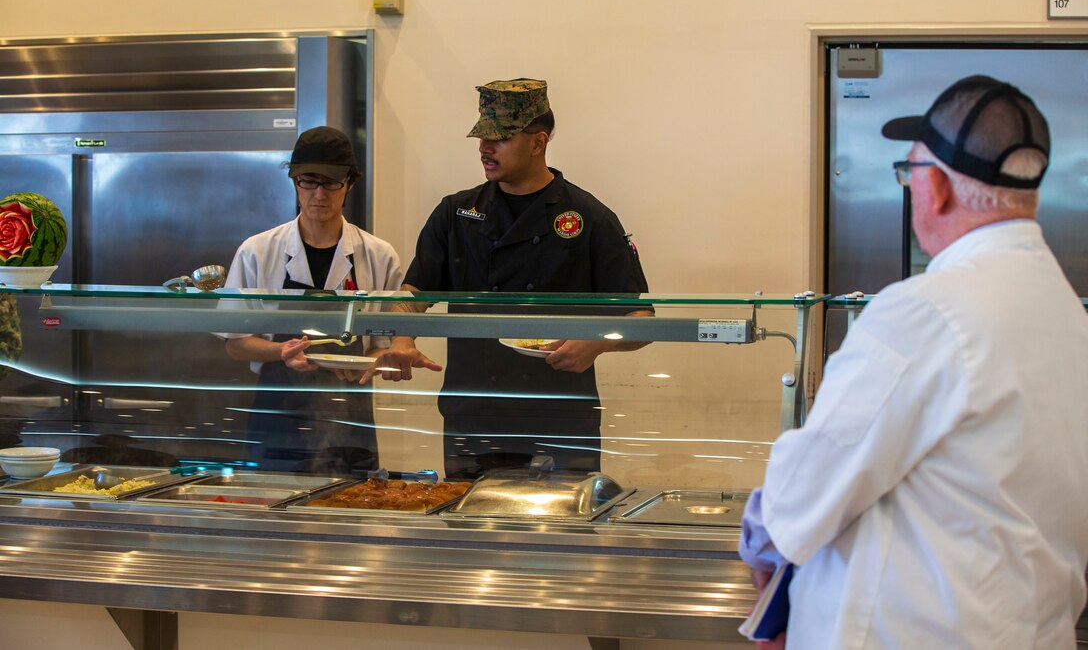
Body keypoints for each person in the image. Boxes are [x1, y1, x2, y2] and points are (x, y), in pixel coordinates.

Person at [738, 75, 1088, 649]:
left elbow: (807, 487)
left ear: (940, 189)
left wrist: (762, 539)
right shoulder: (1067, 313)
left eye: (909, 175)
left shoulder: (928, 309)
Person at [367, 78, 651, 479]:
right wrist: (401, 337)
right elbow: (413, 292)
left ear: (538, 142)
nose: (485, 148)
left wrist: (596, 344)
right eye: (482, 136)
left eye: (499, 138)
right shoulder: (455, 214)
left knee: (562, 536)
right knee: (473, 533)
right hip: (475, 415)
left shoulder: (590, 218)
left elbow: (641, 320)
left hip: (561, 419)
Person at [220, 126, 404, 474]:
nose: (319, 193)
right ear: (295, 182)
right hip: (277, 419)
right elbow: (235, 343)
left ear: (349, 184)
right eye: (309, 181)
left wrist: (367, 364)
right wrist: (281, 352)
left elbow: (382, 345)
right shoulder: (257, 252)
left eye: (331, 182)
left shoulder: (379, 256)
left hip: (350, 418)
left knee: (349, 514)